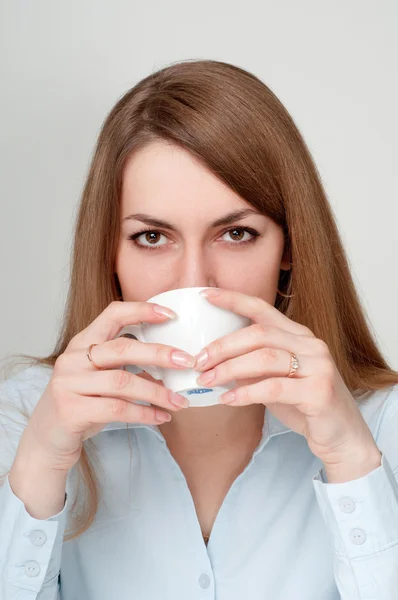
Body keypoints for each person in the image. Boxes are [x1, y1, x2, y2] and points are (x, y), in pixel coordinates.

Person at [0, 59, 397, 600]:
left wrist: (353, 462)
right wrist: (42, 463)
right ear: (108, 252)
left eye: (235, 233)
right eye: (152, 237)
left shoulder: (380, 426)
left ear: (290, 247)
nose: (193, 281)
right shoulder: (25, 418)